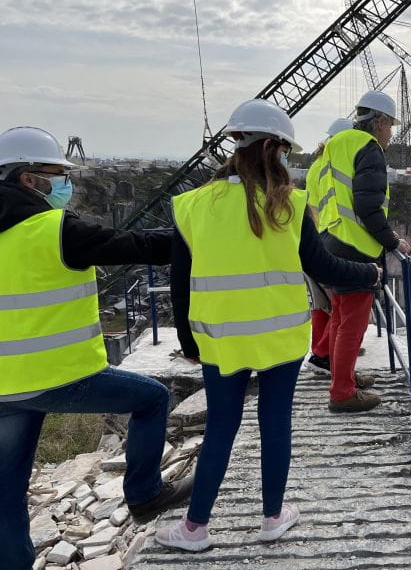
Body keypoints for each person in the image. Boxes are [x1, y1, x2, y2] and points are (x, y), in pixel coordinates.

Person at [156, 100, 380, 551]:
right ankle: (273, 517)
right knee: (275, 424)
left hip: (221, 340)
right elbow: (325, 267)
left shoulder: (192, 207)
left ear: (234, 146)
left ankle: (196, 528)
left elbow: (179, 283)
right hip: (280, 336)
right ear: (277, 149)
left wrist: (188, 340)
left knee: (222, 426)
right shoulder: (291, 205)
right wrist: (370, 274)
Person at [0, 126, 193, 570]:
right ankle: (145, 494)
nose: (65, 184)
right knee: (152, 398)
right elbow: (137, 245)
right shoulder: (53, 228)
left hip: (4, 388)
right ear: (29, 179)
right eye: (56, 174)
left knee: (8, 491)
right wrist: (195, 239)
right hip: (56, 376)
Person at [316, 91, 411, 413]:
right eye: (390, 125)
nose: (390, 133)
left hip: (331, 239)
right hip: (355, 246)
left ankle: (343, 378)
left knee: (341, 318)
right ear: (380, 121)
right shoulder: (369, 149)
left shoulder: (338, 143)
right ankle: (342, 393)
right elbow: (369, 206)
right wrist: (392, 241)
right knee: (352, 323)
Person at [304, 117, 352, 377]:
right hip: (332, 239)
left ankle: (321, 351)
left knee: (322, 303)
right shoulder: (334, 167)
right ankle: (323, 353)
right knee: (340, 305)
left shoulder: (315, 167)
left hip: (315, 239)